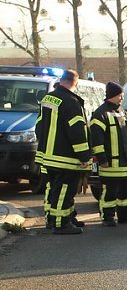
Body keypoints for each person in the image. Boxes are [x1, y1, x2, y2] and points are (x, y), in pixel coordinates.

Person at [34, 69, 91, 235]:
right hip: (65, 158)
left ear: (62, 80)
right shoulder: (71, 102)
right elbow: (77, 132)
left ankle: (55, 219)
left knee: (53, 189)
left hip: (47, 156)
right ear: (75, 83)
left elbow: (39, 126)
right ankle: (61, 223)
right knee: (64, 191)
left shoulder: (47, 98)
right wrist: (84, 156)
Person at [89, 81, 127, 226]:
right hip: (110, 164)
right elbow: (97, 141)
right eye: (120, 95)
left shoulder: (122, 111)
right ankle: (108, 217)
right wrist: (102, 159)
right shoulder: (100, 114)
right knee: (109, 192)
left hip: (126, 162)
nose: (122, 97)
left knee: (126, 191)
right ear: (111, 96)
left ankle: (126, 215)